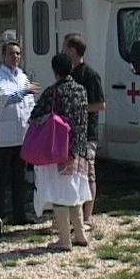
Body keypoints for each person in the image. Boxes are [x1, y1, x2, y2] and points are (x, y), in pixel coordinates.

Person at [29, 53, 91, 251]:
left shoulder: (52, 92)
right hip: (79, 149)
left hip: (59, 149)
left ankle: (64, 240)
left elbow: (35, 115)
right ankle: (80, 234)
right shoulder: (82, 90)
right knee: (75, 192)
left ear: (55, 70)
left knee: (59, 195)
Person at [0, 41, 39, 225]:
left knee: (20, 178)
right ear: (4, 56)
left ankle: (19, 214)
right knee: (1, 179)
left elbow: (30, 103)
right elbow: (5, 98)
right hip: (4, 138)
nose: (16, 57)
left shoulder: (23, 77)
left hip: (22, 136)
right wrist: (25, 91)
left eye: (18, 53)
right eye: (12, 53)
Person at [62, 32, 106, 227]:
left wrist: (79, 108)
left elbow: (101, 105)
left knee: (88, 173)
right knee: (72, 173)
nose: (62, 51)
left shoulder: (90, 75)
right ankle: (74, 214)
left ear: (72, 50)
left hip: (87, 133)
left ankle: (87, 216)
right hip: (69, 134)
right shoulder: (68, 74)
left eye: (65, 48)